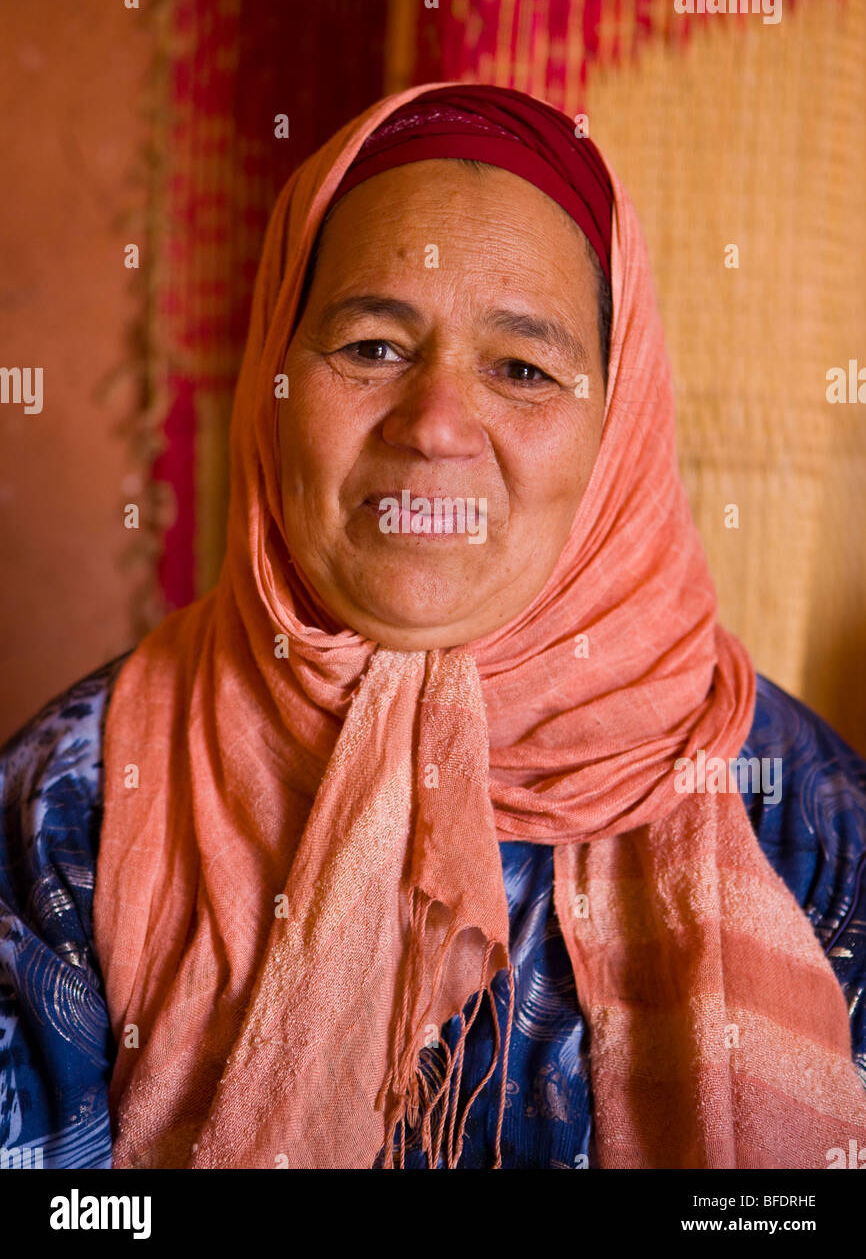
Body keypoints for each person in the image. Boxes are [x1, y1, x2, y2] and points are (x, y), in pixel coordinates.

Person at [1, 82, 864, 1172]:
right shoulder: (73, 805)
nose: (436, 425)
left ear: (621, 426)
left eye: (522, 368)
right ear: (272, 381)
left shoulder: (800, 824)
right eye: (371, 347)